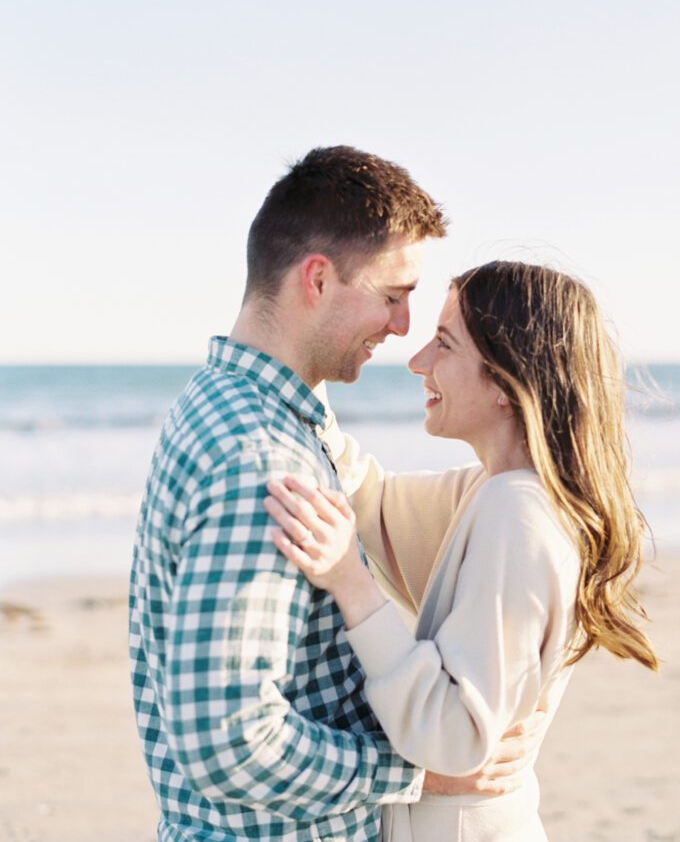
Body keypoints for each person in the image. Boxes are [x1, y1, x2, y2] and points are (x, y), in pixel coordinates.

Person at [265, 260, 660, 842]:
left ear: (505, 384)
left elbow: (453, 739)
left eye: (444, 345)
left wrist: (350, 581)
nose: (418, 361)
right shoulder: (493, 491)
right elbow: (371, 502)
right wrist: (309, 344)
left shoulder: (520, 515)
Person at [128, 145, 456, 842]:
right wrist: (414, 775)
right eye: (394, 295)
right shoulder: (262, 462)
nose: (403, 327)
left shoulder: (221, 402)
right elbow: (230, 743)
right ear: (318, 279)